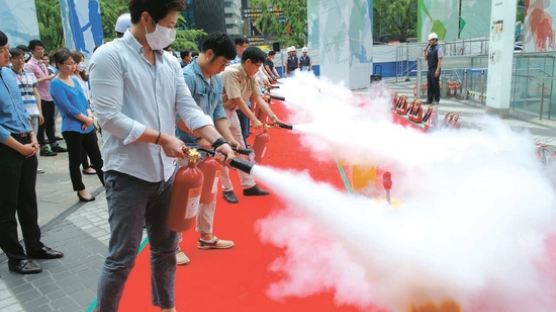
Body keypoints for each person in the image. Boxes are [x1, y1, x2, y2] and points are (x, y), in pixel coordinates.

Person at [89, 0, 234, 311]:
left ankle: (166, 306)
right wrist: (160, 138)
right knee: (121, 258)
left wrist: (218, 140)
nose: (173, 31)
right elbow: (110, 118)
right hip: (128, 174)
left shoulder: (168, 64)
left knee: (166, 249)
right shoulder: (109, 57)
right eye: (170, 24)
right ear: (145, 18)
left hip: (166, 174)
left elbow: (188, 109)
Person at [0, 30, 64, 275]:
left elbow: (20, 109)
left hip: (26, 139)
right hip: (6, 148)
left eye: (7, 48)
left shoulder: (8, 74)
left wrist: (33, 136)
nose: (8, 53)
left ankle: (35, 245)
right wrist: (19, 145)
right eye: (2, 50)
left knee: (28, 199)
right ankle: (16, 257)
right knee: (6, 205)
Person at [174, 32, 239, 265]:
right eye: (222, 63)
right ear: (209, 54)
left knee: (209, 193)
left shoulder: (216, 79)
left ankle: (206, 236)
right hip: (185, 149)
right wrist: (206, 139)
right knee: (181, 197)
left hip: (208, 148)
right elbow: (181, 117)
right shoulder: (186, 77)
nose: (223, 69)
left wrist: (227, 139)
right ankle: (173, 245)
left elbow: (218, 114)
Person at [220, 46, 283, 204]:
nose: (258, 69)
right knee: (220, 150)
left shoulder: (251, 75)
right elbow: (237, 99)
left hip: (231, 111)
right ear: (248, 62)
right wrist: (254, 119)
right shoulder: (231, 73)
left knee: (241, 146)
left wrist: (272, 116)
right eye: (257, 66)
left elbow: (259, 98)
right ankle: (227, 188)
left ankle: (248, 185)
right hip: (216, 113)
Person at [50, 48, 104, 202]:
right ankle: (80, 189)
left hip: (87, 125)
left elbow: (83, 99)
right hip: (73, 128)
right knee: (76, 161)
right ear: (59, 65)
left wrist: (90, 115)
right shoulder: (55, 84)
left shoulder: (74, 80)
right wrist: (85, 119)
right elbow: (67, 107)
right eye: (68, 64)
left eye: (73, 63)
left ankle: (108, 184)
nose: (72, 67)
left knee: (97, 158)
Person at [26, 39, 67, 156]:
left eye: (42, 49)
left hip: (49, 96)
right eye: (38, 49)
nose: (41, 51)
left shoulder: (42, 63)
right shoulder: (30, 65)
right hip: (40, 97)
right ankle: (43, 146)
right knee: (41, 123)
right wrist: (46, 78)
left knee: (50, 122)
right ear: (32, 51)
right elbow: (31, 82)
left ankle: (53, 143)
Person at [70, 50, 97, 175]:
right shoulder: (72, 79)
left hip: (89, 109)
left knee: (93, 139)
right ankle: (85, 166)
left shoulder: (83, 76)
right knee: (83, 141)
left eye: (82, 60)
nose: (82, 63)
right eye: (79, 61)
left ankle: (93, 162)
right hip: (81, 111)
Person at [424, 32, 443, 104]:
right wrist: (424, 51)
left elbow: (440, 60)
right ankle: (429, 99)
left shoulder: (439, 48)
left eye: (430, 40)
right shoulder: (429, 49)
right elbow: (426, 59)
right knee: (430, 84)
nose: (429, 42)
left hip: (435, 68)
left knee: (435, 85)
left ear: (435, 40)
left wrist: (437, 70)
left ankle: (437, 99)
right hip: (430, 69)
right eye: (429, 40)